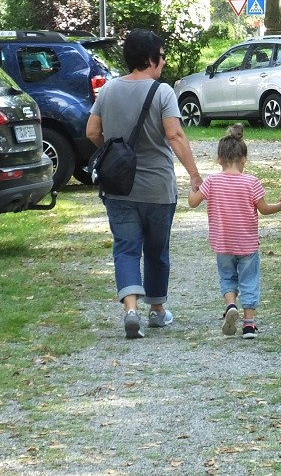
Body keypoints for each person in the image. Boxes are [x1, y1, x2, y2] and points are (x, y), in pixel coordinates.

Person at [86, 29, 203, 339]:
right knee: (156, 250)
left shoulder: (108, 91)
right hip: (158, 188)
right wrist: (194, 174)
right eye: (162, 57)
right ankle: (157, 311)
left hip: (119, 187)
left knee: (125, 249)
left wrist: (114, 151)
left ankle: (130, 310)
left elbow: (91, 132)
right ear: (151, 59)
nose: (163, 63)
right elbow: (175, 135)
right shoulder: (162, 92)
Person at [188, 123, 281, 339]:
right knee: (249, 280)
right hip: (247, 244)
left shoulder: (212, 182)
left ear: (219, 159)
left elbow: (193, 203)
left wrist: (192, 187)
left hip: (222, 244)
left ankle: (231, 304)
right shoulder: (251, 182)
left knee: (227, 277)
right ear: (244, 158)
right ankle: (249, 325)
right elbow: (264, 209)